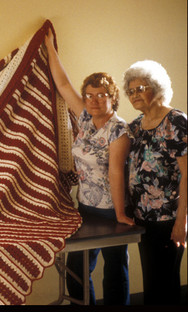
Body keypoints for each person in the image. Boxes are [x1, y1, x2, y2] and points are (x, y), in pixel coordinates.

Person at [44, 28, 134, 305]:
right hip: (85, 207)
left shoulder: (119, 131)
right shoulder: (84, 119)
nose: (95, 100)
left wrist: (120, 213)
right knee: (78, 272)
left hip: (112, 209)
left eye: (101, 95)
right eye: (90, 95)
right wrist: (47, 45)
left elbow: (116, 173)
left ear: (112, 98)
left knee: (115, 271)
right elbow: (63, 85)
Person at [123, 60, 187, 305]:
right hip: (143, 217)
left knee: (166, 284)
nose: (134, 95)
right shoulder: (136, 126)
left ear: (157, 87)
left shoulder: (176, 121)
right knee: (152, 282)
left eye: (140, 88)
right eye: (130, 91)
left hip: (169, 219)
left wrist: (182, 221)